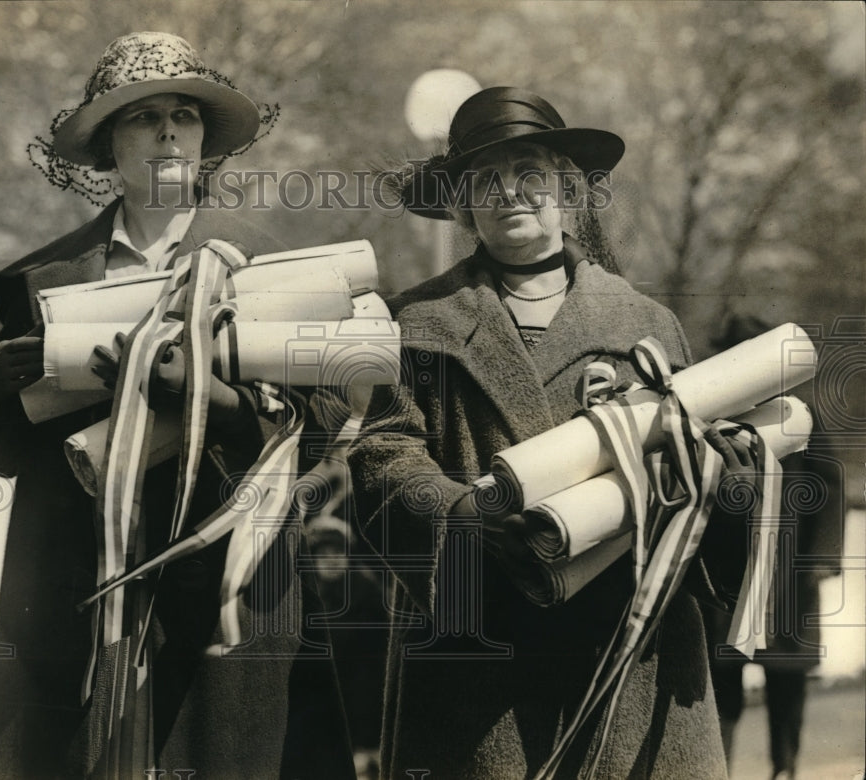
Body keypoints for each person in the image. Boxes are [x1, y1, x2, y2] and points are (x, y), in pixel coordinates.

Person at [0, 32, 353, 779]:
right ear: (107, 146)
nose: (168, 131)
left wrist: (212, 398)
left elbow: (321, 431)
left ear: (204, 139)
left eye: (183, 115)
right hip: (74, 591)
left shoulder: (273, 269)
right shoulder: (39, 281)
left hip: (224, 584)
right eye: (141, 117)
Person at [348, 87, 746, 778]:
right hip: (479, 662)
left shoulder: (646, 323)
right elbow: (382, 457)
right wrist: (466, 513)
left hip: (632, 657)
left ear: (569, 190)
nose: (510, 193)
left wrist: (726, 470)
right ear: (462, 203)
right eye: (485, 179)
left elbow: (700, 481)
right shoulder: (413, 324)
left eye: (530, 171)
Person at [701, 314, 845, 780]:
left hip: (789, 571)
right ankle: (717, 766)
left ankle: (785, 767)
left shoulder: (796, 412)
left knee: (786, 677)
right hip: (729, 570)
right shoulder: (713, 416)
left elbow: (829, 481)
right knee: (721, 681)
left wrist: (821, 558)